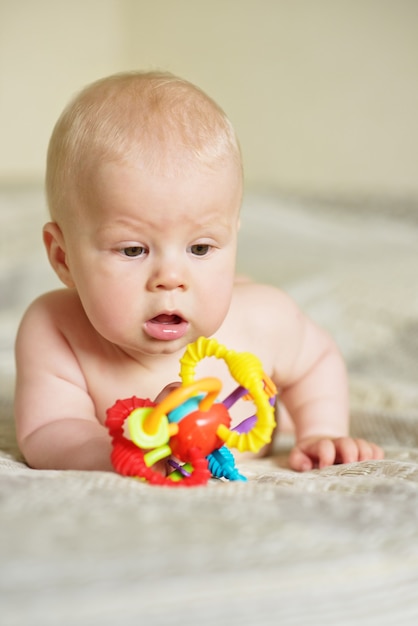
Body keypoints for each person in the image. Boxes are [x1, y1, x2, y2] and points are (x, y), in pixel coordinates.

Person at [14, 71, 383, 473]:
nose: (172, 277)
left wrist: (320, 432)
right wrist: (130, 451)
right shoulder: (55, 329)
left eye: (201, 248)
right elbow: (49, 430)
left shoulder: (262, 318)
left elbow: (317, 361)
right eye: (134, 249)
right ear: (64, 258)